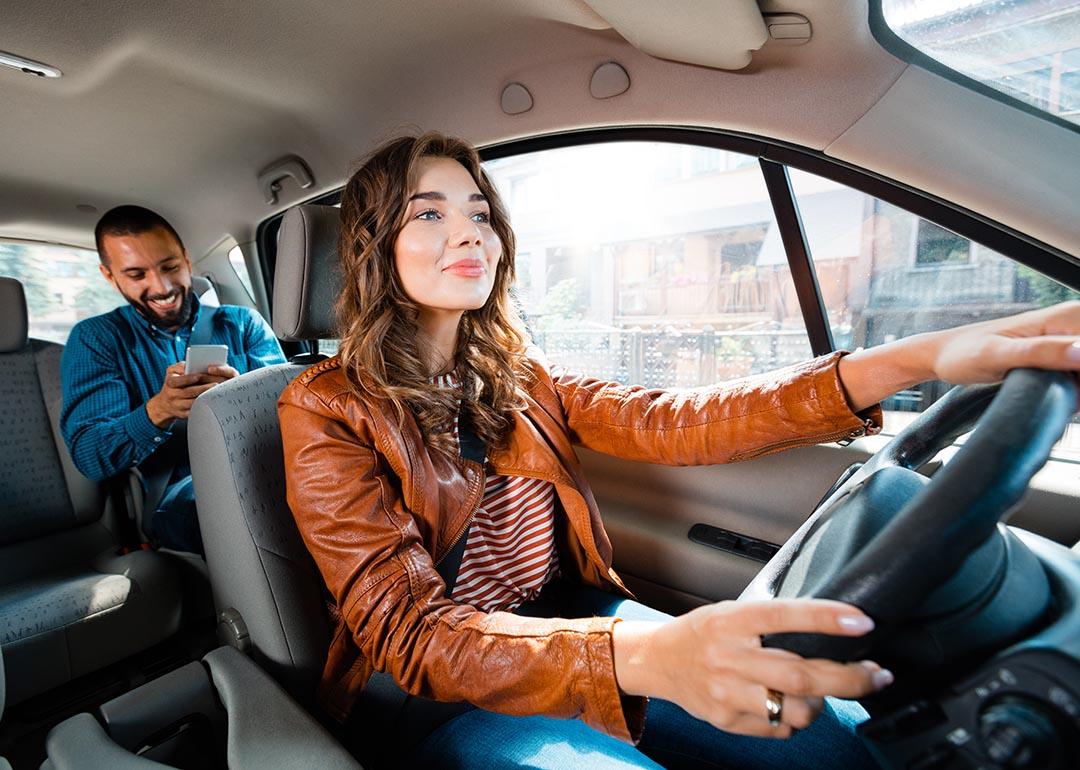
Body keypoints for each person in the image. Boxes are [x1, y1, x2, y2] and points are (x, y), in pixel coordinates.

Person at [278, 133, 1080, 769]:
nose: (469, 233)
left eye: (480, 212)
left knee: (831, 747)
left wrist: (914, 360)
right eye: (429, 213)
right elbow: (413, 636)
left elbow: (678, 418)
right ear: (374, 245)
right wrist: (648, 653)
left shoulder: (517, 373)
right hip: (444, 697)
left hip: (577, 627)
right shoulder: (324, 405)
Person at [61, 205, 286, 554]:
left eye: (170, 267)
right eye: (137, 275)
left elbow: (291, 415)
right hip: (176, 494)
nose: (162, 287)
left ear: (186, 259)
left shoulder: (243, 324)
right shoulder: (97, 339)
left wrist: (241, 398)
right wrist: (159, 410)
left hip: (264, 468)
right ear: (109, 276)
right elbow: (91, 455)